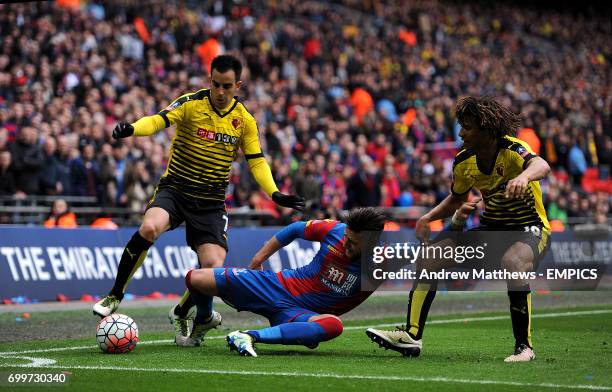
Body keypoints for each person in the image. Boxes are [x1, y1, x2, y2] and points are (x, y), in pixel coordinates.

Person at [92, 55, 305, 344]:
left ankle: (189, 314)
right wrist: (132, 129)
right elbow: (157, 121)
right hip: (176, 190)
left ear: (237, 85)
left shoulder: (244, 120)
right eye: (215, 84)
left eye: (226, 86)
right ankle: (115, 295)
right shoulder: (191, 103)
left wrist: (275, 193)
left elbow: (256, 161)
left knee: (212, 269)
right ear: (210, 80)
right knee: (150, 227)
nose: (219, 92)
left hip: (210, 202)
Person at [366, 96, 551, 363]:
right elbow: (456, 198)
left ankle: (524, 348)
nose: (461, 132)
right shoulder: (464, 161)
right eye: (460, 126)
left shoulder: (513, 149)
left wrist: (522, 177)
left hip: (529, 228)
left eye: (467, 127)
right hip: (491, 230)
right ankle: (412, 336)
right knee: (430, 257)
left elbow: (541, 165)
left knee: (515, 261)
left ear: (486, 129)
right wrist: (427, 218)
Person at [183, 207, 386, 355]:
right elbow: (296, 228)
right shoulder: (335, 230)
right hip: (275, 285)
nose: (345, 243)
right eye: (346, 237)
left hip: (299, 314)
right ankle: (205, 319)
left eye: (352, 242)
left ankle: (250, 336)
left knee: (333, 325)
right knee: (195, 278)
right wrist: (259, 258)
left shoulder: (383, 262)